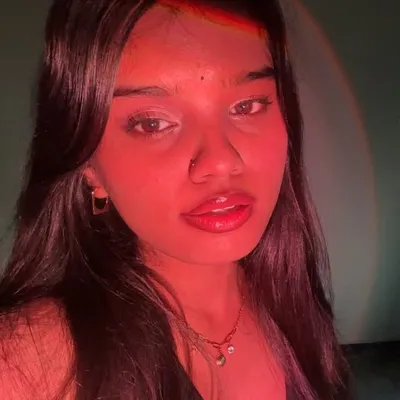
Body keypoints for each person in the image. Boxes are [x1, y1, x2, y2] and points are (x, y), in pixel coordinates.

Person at [0, 0, 351, 399]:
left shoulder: (294, 304)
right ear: (89, 165)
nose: (220, 162)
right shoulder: (28, 363)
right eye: (153, 123)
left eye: (247, 106)